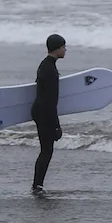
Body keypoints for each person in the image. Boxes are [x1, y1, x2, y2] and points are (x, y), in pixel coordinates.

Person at [31, 33, 66, 195]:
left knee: (46, 150)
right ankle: (37, 186)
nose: (65, 50)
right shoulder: (50, 71)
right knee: (46, 151)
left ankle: (37, 185)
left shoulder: (45, 65)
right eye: (63, 47)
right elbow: (51, 101)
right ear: (57, 49)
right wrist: (56, 126)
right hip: (44, 113)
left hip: (40, 111)